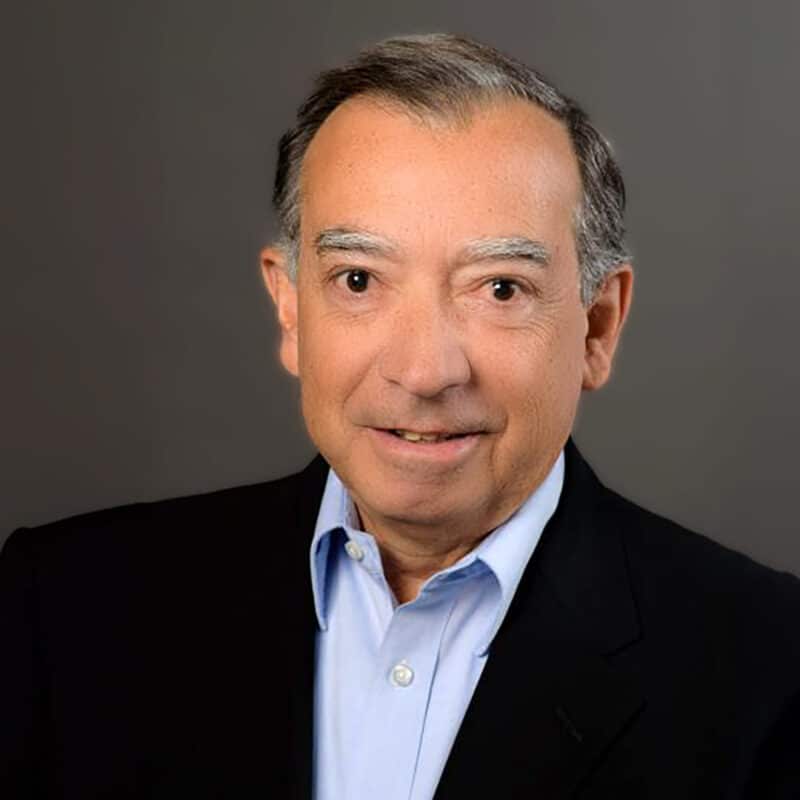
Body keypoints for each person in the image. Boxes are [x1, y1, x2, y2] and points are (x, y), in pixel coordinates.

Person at [1, 33, 798, 800]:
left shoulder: (769, 666)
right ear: (289, 310)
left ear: (597, 326)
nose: (423, 373)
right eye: (357, 280)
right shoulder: (65, 609)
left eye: (500, 289)